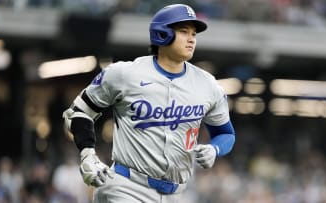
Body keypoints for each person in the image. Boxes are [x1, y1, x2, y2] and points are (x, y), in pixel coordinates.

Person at [62, 4, 236, 203]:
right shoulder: (124, 74)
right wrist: (87, 154)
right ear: (162, 34)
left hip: (177, 194)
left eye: (194, 34)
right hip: (126, 187)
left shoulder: (208, 85)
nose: (191, 39)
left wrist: (214, 149)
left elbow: (225, 134)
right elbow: (78, 112)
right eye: (183, 31)